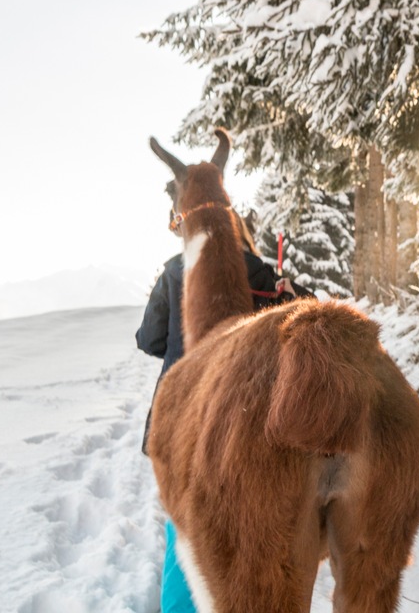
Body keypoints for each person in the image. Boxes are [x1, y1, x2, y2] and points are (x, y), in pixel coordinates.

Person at [136, 204, 312, 613]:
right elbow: (304, 326)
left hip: (184, 422)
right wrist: (289, 293)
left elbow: (148, 339)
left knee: (186, 522)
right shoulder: (261, 273)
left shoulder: (177, 271)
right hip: (247, 424)